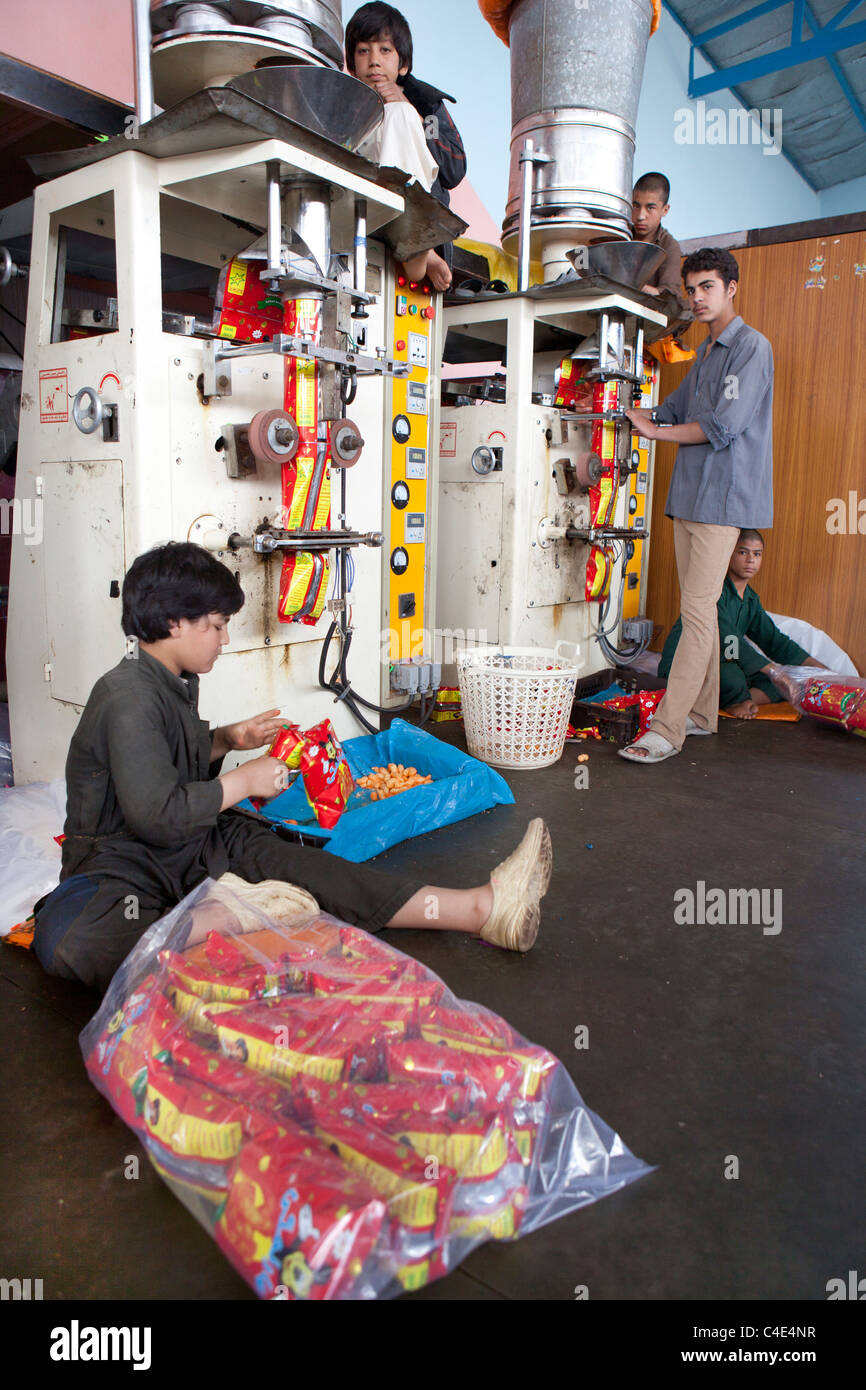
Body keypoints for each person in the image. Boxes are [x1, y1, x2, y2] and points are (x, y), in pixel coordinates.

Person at [31, 543, 552, 993]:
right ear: (174, 623)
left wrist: (225, 740)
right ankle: (226, 914)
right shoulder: (127, 697)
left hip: (192, 844)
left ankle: (483, 909)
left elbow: (167, 767)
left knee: (311, 869)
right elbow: (155, 814)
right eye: (215, 626)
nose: (224, 639)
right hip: (126, 862)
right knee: (72, 938)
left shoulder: (172, 680)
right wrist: (246, 779)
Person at [620, 247, 774, 762]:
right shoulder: (705, 352)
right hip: (687, 497)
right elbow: (673, 409)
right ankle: (703, 715)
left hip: (722, 501)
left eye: (707, 286)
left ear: (732, 287)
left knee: (696, 615)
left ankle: (668, 730)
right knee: (700, 610)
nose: (697, 298)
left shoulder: (753, 348)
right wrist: (626, 409)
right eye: (692, 289)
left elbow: (722, 428)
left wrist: (655, 431)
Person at [345, 3, 467, 291]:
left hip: (413, 216)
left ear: (403, 64)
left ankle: (419, 246)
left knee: (398, 115)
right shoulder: (344, 104)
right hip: (362, 212)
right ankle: (419, 250)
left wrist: (408, 109)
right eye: (363, 51)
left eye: (384, 50)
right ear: (352, 63)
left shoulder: (425, 103)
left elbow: (454, 170)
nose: (374, 61)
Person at [658, 529, 824, 718]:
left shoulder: (751, 599)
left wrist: (820, 670)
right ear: (729, 555)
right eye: (743, 552)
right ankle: (734, 701)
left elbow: (774, 640)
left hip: (724, 660)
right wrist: (773, 670)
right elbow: (731, 639)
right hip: (686, 663)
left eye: (757, 554)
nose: (750, 560)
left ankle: (742, 700)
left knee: (779, 683)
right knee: (734, 676)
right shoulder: (713, 591)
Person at [631, 172, 684, 303]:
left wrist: (629, 286)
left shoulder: (669, 246)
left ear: (665, 210)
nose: (640, 216)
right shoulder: (619, 234)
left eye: (650, 208)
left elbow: (670, 295)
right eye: (636, 206)